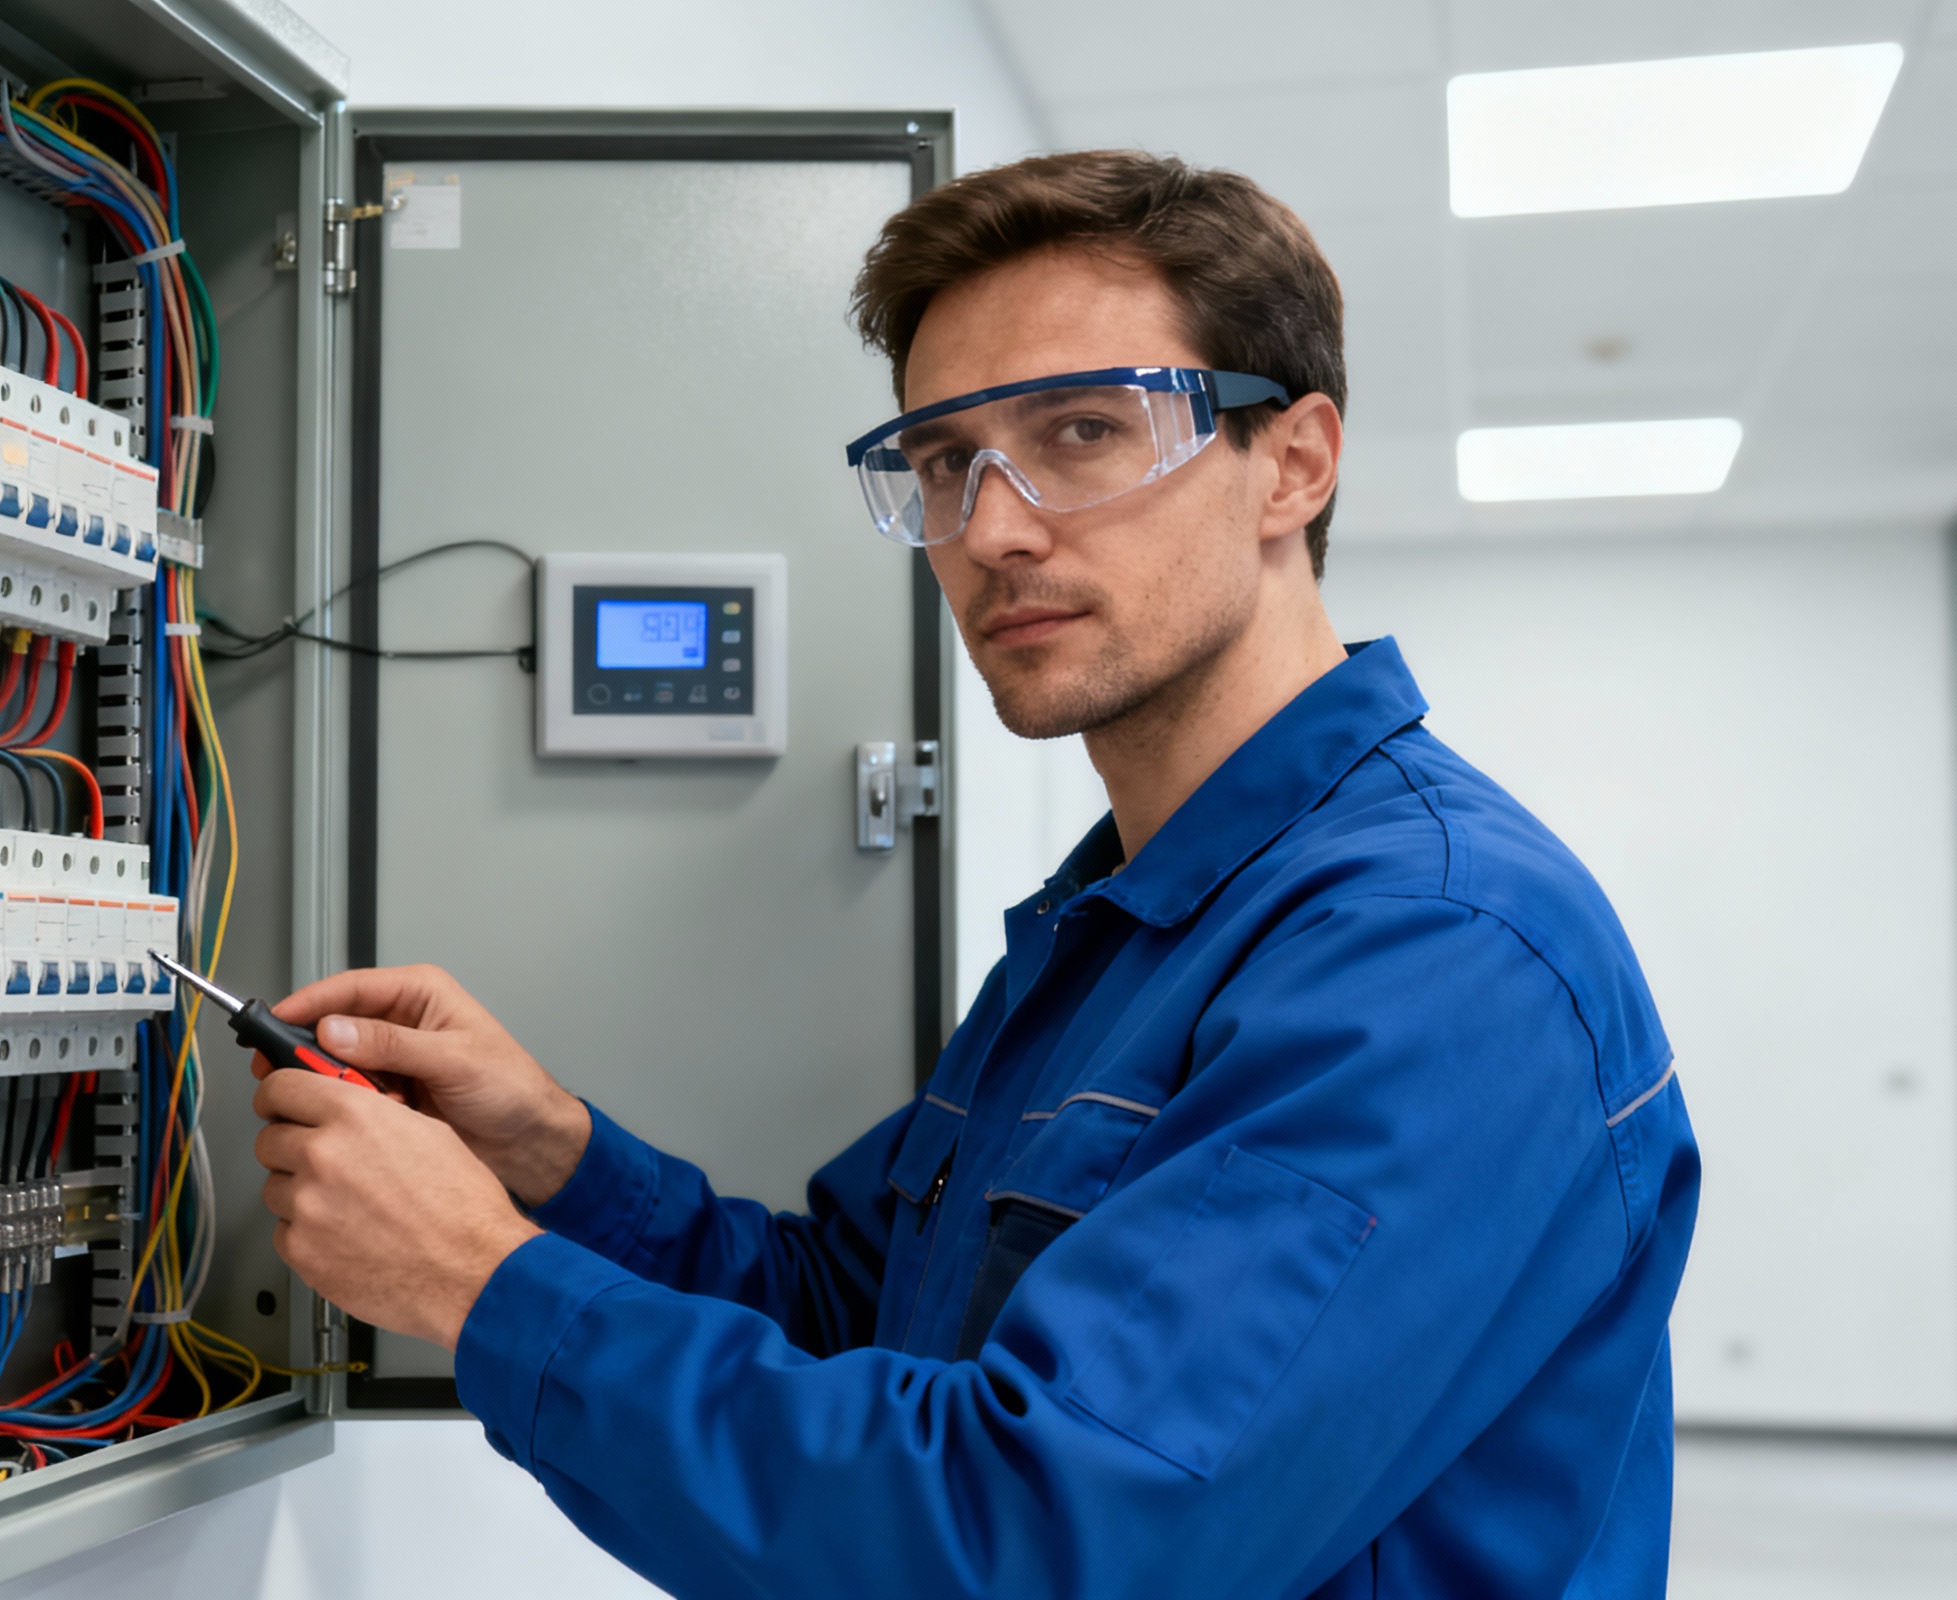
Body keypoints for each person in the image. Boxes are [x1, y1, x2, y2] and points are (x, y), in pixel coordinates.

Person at [247, 149, 1699, 1599]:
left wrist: (475, 1283)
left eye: (1082, 429)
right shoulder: (1119, 925)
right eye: (945, 462)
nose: (994, 528)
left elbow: (1050, 1540)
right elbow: (862, 1318)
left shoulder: (1434, 950)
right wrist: (552, 1159)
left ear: (1294, 463)